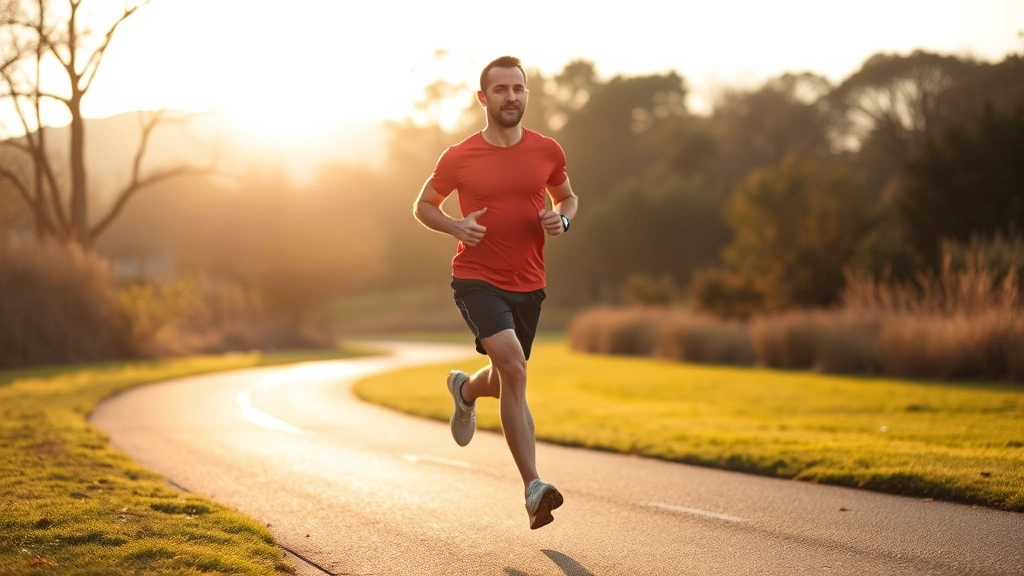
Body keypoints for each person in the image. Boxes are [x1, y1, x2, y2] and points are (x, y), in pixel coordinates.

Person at [412, 55, 579, 530]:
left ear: (527, 94)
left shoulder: (547, 150)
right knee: (514, 366)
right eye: (502, 89)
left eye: (519, 89)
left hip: (530, 282)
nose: (512, 97)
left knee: (507, 374)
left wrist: (561, 218)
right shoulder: (459, 156)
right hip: (477, 277)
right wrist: (454, 226)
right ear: (483, 98)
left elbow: (567, 196)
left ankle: (464, 389)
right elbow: (423, 204)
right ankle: (533, 487)